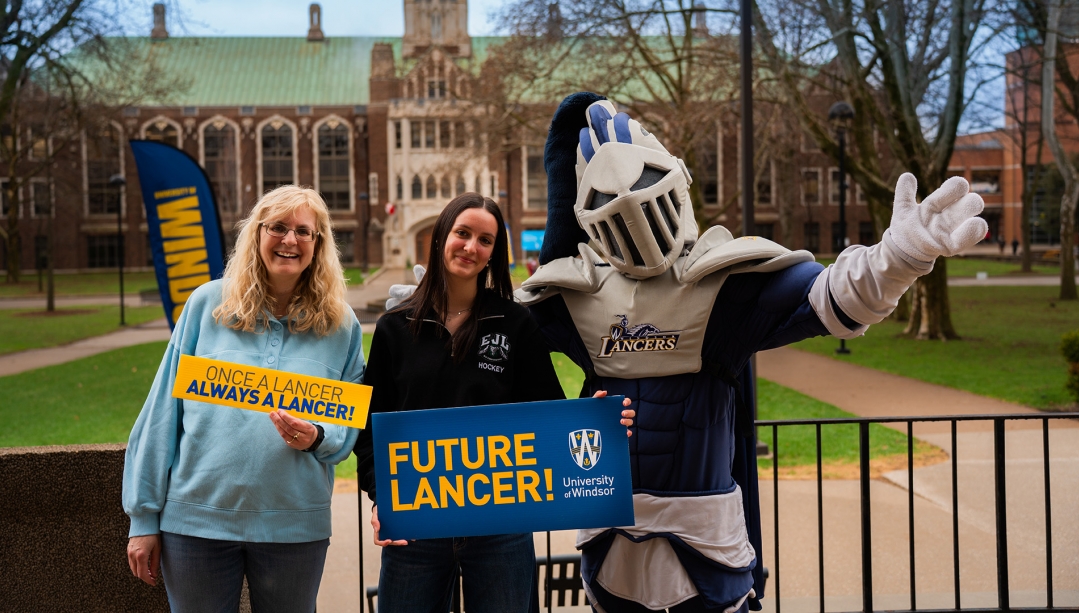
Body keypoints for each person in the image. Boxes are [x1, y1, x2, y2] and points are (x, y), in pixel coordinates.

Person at [515, 94, 988, 612]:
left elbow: (828, 299)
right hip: (611, 538)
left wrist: (899, 257)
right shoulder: (573, 296)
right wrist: (428, 309)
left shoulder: (723, 283)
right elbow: (489, 339)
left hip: (703, 541)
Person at [354, 193, 634, 613]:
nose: (471, 247)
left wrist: (593, 420)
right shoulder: (396, 328)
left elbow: (548, 416)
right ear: (439, 237)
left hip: (501, 528)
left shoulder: (515, 323)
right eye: (462, 233)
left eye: (485, 240)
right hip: (415, 525)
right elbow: (369, 427)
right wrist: (382, 499)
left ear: (493, 254)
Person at [123, 185, 364, 612]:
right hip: (196, 527)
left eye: (304, 232)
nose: (290, 240)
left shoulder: (341, 325)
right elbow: (162, 414)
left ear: (318, 244)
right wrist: (143, 518)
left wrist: (317, 435)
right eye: (278, 227)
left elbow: (349, 427)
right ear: (257, 234)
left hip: (295, 530)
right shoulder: (205, 305)